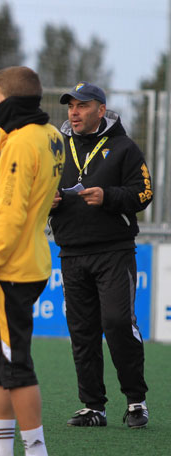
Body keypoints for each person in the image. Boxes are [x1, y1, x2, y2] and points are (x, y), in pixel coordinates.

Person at [0, 66, 63, 456]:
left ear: (12, 102)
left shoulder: (23, 142)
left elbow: (8, 215)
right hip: (32, 261)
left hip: (13, 268)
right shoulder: (49, 135)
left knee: (14, 363)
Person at [49, 82, 153, 429]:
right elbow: (36, 188)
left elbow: (145, 193)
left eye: (81, 106)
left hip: (114, 251)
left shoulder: (124, 147)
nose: (73, 113)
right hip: (71, 251)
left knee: (118, 323)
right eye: (70, 107)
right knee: (82, 331)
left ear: (101, 110)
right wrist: (45, 200)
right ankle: (93, 406)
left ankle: (136, 401)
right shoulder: (58, 147)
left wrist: (108, 196)